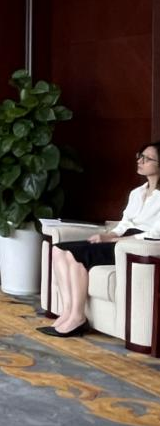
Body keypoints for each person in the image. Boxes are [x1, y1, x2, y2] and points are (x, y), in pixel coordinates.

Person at [39, 141, 160, 337]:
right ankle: (68, 312)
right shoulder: (137, 193)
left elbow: (155, 233)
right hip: (121, 239)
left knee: (76, 256)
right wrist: (108, 236)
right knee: (59, 249)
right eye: (140, 156)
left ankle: (77, 318)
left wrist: (117, 242)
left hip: (137, 245)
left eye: (147, 158)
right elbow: (124, 224)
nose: (140, 161)